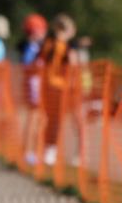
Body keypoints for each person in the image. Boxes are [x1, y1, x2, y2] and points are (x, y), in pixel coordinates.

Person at [38, 14, 78, 167]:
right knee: (55, 120)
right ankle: (51, 149)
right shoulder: (57, 46)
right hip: (56, 87)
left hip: (56, 87)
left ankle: (53, 150)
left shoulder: (57, 46)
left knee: (57, 120)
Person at [17, 13, 47, 166]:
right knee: (34, 119)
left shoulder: (35, 46)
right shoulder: (31, 46)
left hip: (37, 85)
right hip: (34, 86)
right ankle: (28, 152)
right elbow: (27, 65)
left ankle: (33, 151)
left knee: (38, 120)